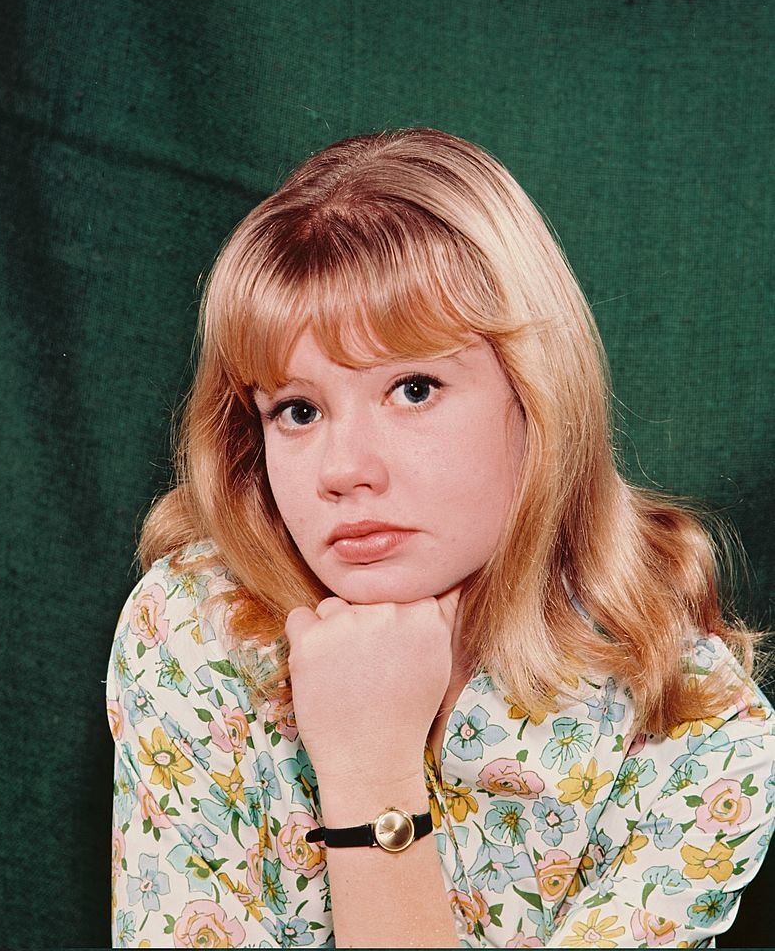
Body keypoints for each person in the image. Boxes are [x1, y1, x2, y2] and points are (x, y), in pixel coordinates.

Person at [105, 127, 775, 948]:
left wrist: (370, 770)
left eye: (413, 388)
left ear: (537, 398)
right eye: (299, 410)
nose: (345, 470)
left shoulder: (692, 722)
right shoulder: (195, 630)